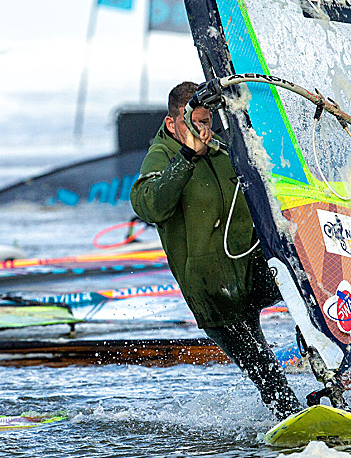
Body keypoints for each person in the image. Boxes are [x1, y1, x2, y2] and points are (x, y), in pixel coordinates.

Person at [130, 81, 304, 420]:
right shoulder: (162, 155)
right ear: (172, 124)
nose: (203, 131)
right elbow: (149, 206)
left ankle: (334, 382)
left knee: (308, 289)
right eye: (193, 122)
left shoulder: (223, 149)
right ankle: (293, 421)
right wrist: (187, 157)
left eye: (207, 122)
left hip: (252, 271)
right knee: (267, 375)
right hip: (213, 290)